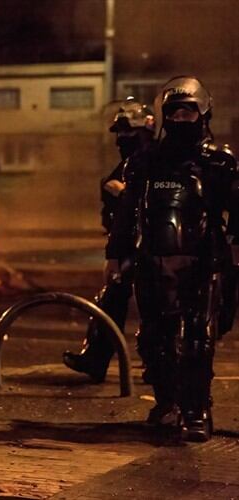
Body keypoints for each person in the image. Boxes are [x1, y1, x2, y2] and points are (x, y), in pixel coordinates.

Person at [107, 77, 238, 441]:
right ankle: (166, 403)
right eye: (174, 111)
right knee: (154, 338)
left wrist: (234, 257)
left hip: (203, 260)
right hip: (152, 260)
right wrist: (116, 254)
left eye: (187, 110)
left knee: (199, 339)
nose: (180, 118)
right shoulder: (146, 162)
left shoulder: (218, 162)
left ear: (203, 112)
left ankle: (197, 412)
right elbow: (127, 211)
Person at [63, 99, 155, 382]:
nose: (122, 140)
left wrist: (125, 194)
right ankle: (95, 359)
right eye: (119, 135)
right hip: (128, 248)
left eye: (129, 134)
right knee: (111, 298)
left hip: (159, 247)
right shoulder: (123, 167)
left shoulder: (159, 162)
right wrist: (113, 254)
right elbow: (116, 220)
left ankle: (159, 367)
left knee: (157, 307)